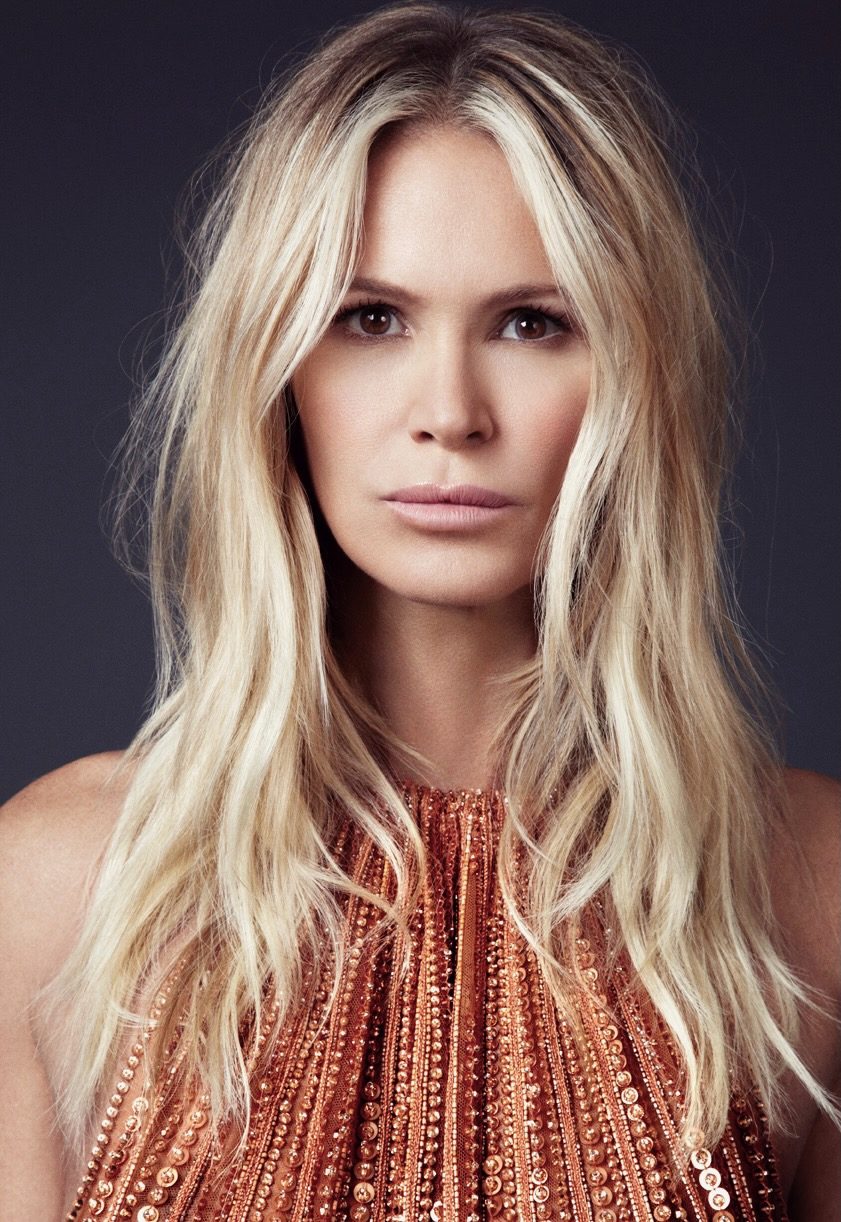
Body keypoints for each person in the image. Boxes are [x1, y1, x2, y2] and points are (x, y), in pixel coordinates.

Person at [1, 3, 838, 1218]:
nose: (450, 409)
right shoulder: (55, 886)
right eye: (371, 318)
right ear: (278, 368)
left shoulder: (801, 890)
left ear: (634, 380)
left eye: (531, 322)